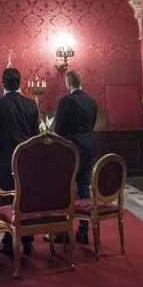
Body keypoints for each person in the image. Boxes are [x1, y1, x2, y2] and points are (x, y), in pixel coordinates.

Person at [0, 67, 39, 256]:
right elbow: (35, 136)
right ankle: (28, 241)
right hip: (27, 159)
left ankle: (9, 241)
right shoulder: (31, 104)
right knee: (25, 197)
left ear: (3, 82)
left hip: (7, 159)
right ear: (20, 82)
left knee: (7, 199)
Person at [53, 70, 100, 245]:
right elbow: (92, 124)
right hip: (89, 149)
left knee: (65, 190)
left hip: (70, 151)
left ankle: (63, 231)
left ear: (68, 83)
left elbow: (59, 129)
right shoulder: (92, 101)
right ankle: (82, 231)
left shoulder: (65, 101)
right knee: (84, 189)